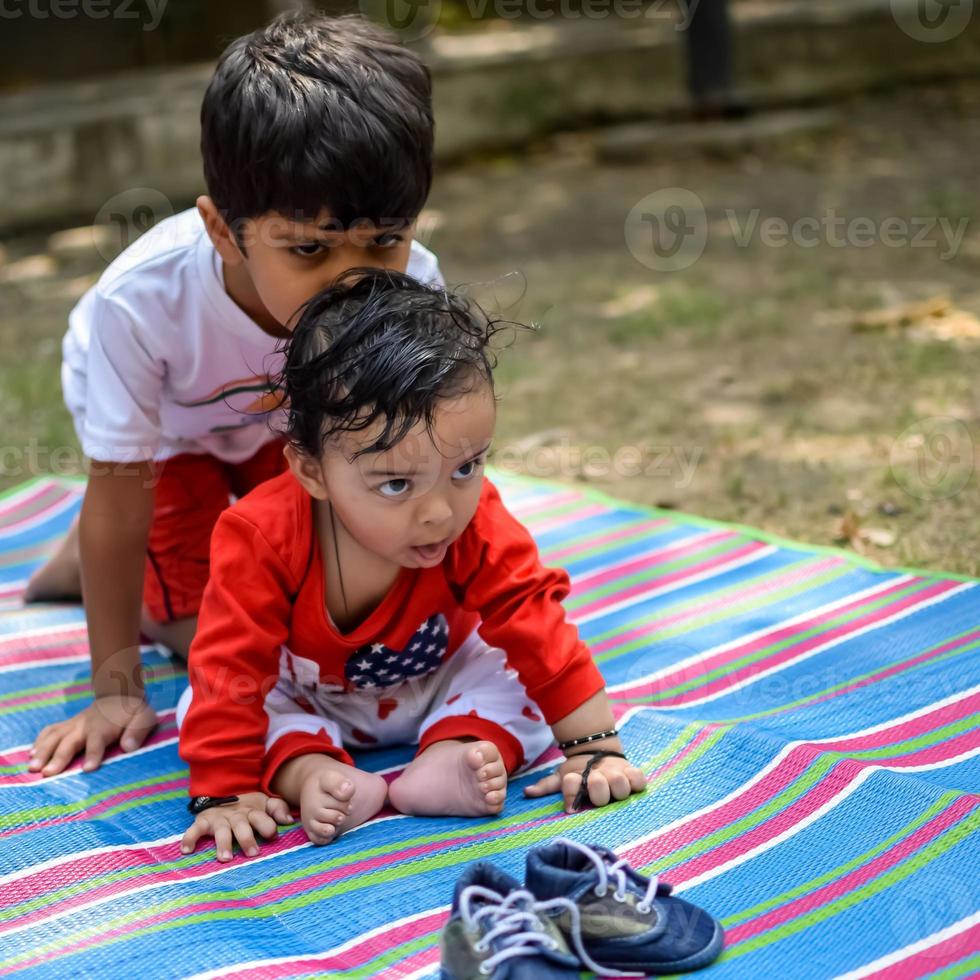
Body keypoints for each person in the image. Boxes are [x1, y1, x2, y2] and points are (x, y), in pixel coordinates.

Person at [27, 11, 443, 777]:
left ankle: (97, 563)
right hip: (171, 439)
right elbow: (122, 491)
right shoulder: (140, 305)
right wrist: (115, 686)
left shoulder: (413, 283)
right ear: (224, 233)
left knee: (313, 581)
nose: (354, 281)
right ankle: (102, 572)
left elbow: (405, 458)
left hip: (281, 429)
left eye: (384, 240)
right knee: (217, 625)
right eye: (310, 250)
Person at [178, 270, 647, 861]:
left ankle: (454, 756)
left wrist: (593, 748)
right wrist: (224, 792)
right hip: (311, 696)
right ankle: (313, 773)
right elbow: (231, 661)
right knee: (207, 702)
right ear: (312, 471)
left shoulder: (475, 523)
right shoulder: (261, 534)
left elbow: (532, 618)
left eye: (466, 469)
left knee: (519, 678)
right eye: (396, 483)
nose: (438, 514)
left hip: (441, 683)